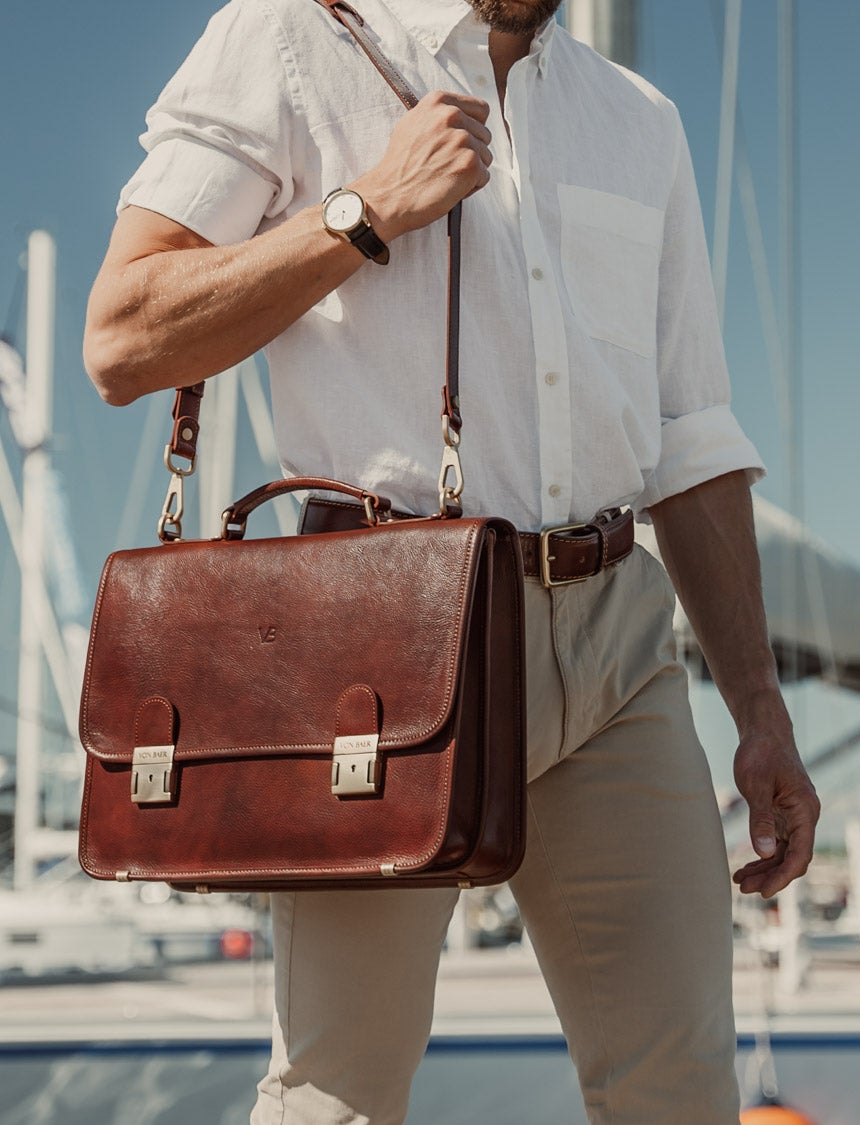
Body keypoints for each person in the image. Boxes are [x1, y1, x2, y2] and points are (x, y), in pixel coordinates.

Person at [85, 0, 820, 1120]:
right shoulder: (286, 37)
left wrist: (759, 711)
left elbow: (688, 436)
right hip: (380, 651)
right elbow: (123, 337)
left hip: (618, 643)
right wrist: (365, 209)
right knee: (339, 1092)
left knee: (679, 1093)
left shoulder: (638, 118)